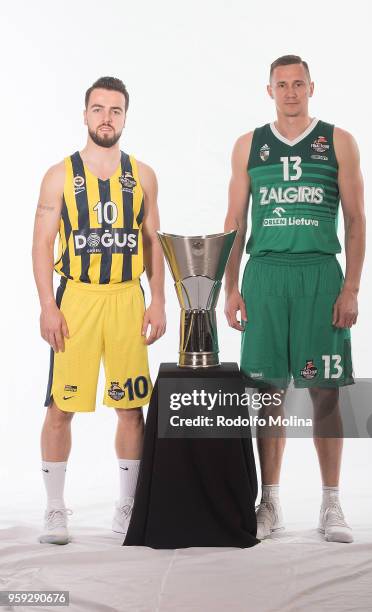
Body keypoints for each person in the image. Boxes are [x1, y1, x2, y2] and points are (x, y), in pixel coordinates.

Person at [224, 55, 365, 543]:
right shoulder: (249, 145)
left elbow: (356, 218)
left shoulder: (338, 140)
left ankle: (332, 504)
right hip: (264, 276)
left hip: (319, 275)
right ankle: (272, 502)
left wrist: (352, 287)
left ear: (311, 87)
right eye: (281, 84)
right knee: (268, 395)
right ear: (269, 90)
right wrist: (231, 287)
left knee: (325, 393)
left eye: (298, 83)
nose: (290, 92)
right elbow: (235, 222)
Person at [32, 76, 166, 545]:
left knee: (131, 405)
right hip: (79, 297)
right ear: (85, 114)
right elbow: (41, 244)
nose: (106, 118)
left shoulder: (142, 174)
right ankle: (54, 508)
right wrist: (48, 305)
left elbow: (152, 242)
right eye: (98, 109)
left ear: (125, 117)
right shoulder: (59, 174)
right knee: (60, 406)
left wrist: (159, 301)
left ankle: (127, 505)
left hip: (127, 297)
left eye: (115, 110)